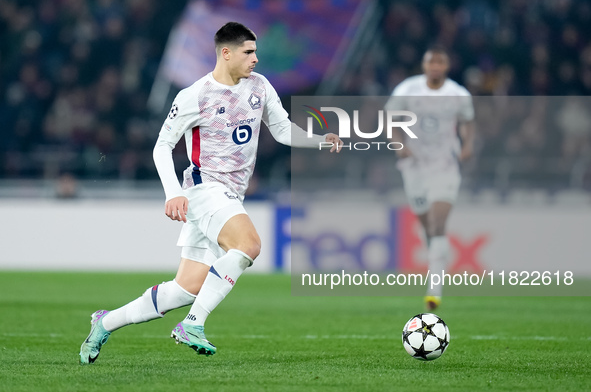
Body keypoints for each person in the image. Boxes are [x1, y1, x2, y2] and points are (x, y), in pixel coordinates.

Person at [79, 22, 342, 364]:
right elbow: (162, 147)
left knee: (184, 289)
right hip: (204, 190)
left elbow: (281, 130)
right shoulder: (195, 95)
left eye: (255, 51)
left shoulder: (259, 87)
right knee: (248, 245)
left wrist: (320, 140)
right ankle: (193, 325)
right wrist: (173, 193)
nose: (256, 59)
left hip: (229, 195)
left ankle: (105, 322)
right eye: (249, 52)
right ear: (226, 53)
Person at [387, 46, 475, 310]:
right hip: (414, 166)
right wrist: (398, 144)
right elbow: (391, 119)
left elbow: (468, 123)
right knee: (428, 227)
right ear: (424, 66)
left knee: (438, 222)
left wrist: (467, 145)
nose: (435, 67)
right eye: (431, 62)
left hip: (445, 165)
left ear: (447, 66)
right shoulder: (407, 90)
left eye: (440, 62)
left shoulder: (458, 94)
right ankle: (436, 265)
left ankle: (434, 289)